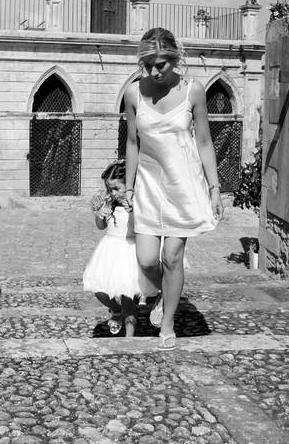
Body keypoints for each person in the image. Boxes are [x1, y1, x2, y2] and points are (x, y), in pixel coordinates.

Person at [123, 27, 222, 350]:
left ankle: (167, 324)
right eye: (148, 64)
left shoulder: (194, 91)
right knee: (148, 259)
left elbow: (205, 142)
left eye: (161, 64)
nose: (154, 71)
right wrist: (128, 186)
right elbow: (132, 143)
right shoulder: (134, 94)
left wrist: (214, 188)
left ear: (176, 58)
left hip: (184, 186)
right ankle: (162, 293)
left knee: (172, 255)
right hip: (149, 188)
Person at [83, 160, 157, 337]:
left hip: (130, 252)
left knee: (128, 297)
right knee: (99, 289)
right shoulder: (109, 204)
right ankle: (115, 310)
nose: (112, 193)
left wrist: (133, 211)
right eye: (110, 189)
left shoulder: (138, 204)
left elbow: (145, 226)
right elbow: (101, 226)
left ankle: (129, 336)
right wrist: (100, 216)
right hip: (109, 251)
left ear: (130, 185)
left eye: (116, 188)